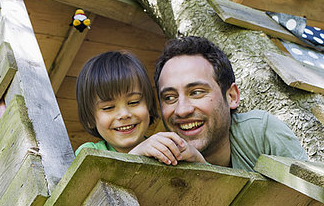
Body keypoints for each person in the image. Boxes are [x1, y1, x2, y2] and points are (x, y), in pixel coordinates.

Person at [154, 35, 308, 171]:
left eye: (196, 92)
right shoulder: (160, 156)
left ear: (232, 96)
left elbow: (311, 199)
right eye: (169, 97)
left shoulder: (260, 133)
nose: (182, 110)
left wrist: (202, 169)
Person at [75, 50, 204, 165]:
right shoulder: (88, 153)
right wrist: (136, 156)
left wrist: (198, 158)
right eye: (108, 107)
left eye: (133, 102)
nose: (124, 114)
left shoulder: (165, 149)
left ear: (149, 105)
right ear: (90, 118)